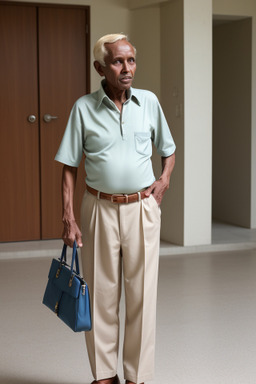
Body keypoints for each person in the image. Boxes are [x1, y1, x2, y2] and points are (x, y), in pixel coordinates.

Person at [55, 33, 176, 384]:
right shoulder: (83, 108)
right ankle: (104, 375)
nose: (127, 69)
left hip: (142, 209)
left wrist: (164, 179)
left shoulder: (150, 102)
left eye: (131, 61)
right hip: (99, 209)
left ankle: (137, 376)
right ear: (100, 68)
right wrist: (68, 216)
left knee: (142, 297)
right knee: (101, 297)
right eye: (118, 62)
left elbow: (168, 149)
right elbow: (69, 165)